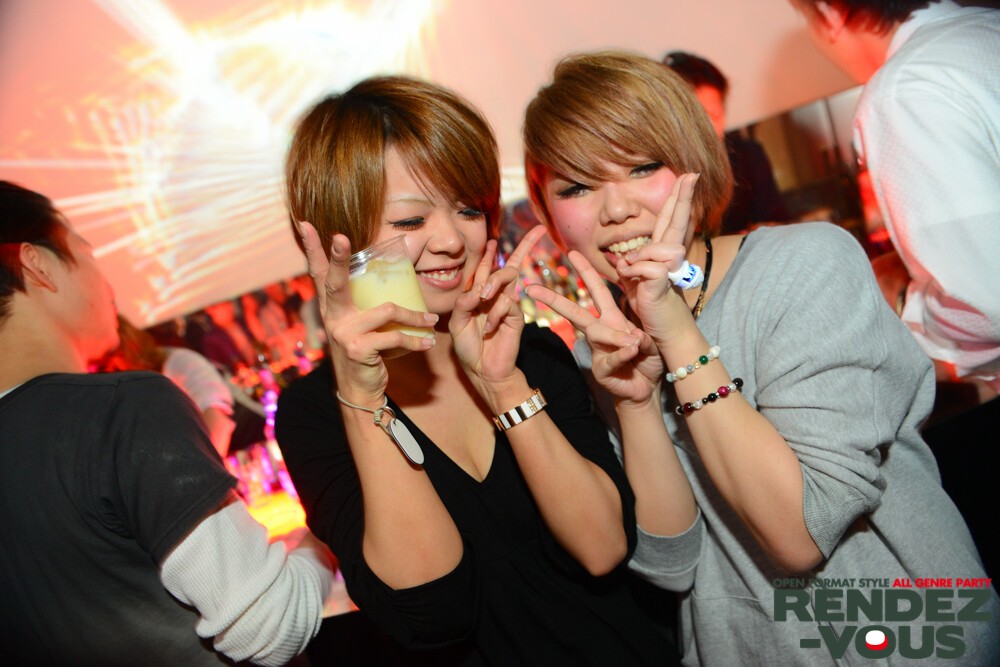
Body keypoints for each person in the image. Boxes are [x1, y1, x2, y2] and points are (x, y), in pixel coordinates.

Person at [521, 51, 999, 666]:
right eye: (577, 186)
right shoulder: (602, 349)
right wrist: (635, 407)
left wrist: (678, 332)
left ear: (694, 162)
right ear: (547, 210)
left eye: (642, 167)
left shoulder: (803, 267)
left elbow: (800, 535)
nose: (615, 209)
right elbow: (672, 564)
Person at [276, 75, 677, 665]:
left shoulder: (532, 354)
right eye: (410, 222)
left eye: (469, 209)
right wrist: (363, 400)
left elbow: (602, 549)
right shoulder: (315, 413)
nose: (452, 239)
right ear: (336, 235)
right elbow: (436, 613)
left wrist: (502, 384)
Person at [0, 180, 333, 665]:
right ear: (39, 265)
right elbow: (269, 626)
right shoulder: (122, 409)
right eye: (87, 252)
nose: (108, 286)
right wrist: (327, 536)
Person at [791, 0, 1000, 577]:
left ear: (829, 11)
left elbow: (985, 302)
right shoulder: (984, 29)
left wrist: (903, 318)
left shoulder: (906, 87)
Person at [662, 50, 790, 235]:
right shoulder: (660, 176)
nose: (706, 130)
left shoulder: (748, 158)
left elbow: (779, 225)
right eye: (695, 118)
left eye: (713, 116)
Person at [98, 315, 237, 457]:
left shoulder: (177, 363)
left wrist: (204, 468)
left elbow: (217, 420)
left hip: (238, 450)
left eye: (109, 365)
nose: (110, 373)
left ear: (129, 347)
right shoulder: (130, 397)